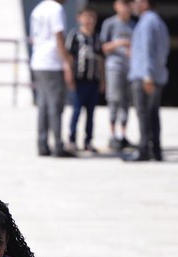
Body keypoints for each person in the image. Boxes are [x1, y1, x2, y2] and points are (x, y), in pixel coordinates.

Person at [124, 0, 170, 162]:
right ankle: (155, 150)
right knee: (153, 113)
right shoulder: (157, 21)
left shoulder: (147, 22)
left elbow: (147, 49)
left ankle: (144, 149)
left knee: (143, 113)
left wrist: (147, 75)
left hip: (144, 76)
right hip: (155, 75)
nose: (133, 5)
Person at [30, 0, 76, 157]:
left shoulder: (39, 8)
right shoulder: (56, 9)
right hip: (51, 62)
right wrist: (67, 62)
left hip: (38, 61)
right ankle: (58, 144)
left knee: (43, 104)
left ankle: (42, 144)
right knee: (55, 106)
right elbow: (59, 37)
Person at [66, 5, 104, 153]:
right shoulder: (75, 36)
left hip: (93, 80)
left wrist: (103, 80)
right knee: (76, 110)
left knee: (91, 113)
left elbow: (101, 59)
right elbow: (69, 57)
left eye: (92, 17)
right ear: (79, 18)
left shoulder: (96, 37)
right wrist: (69, 75)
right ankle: (72, 139)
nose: (90, 20)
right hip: (79, 80)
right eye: (87, 17)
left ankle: (88, 141)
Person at [100, 0, 135, 150]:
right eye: (123, 3)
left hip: (130, 67)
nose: (126, 7)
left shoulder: (135, 24)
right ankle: (112, 135)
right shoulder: (110, 23)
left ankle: (123, 135)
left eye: (128, 3)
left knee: (126, 101)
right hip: (114, 66)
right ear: (116, 5)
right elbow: (102, 47)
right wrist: (119, 43)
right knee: (114, 99)